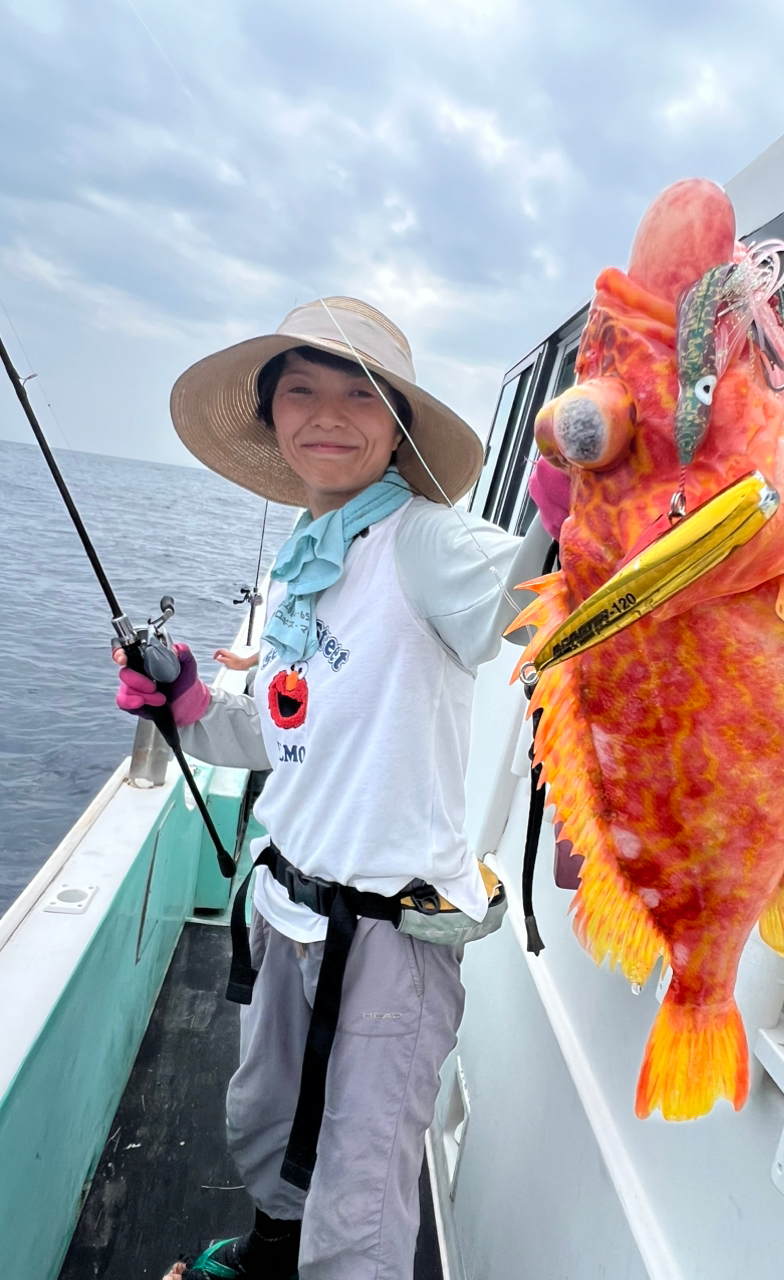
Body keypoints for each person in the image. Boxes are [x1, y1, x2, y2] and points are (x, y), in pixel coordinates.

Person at [113, 296, 556, 1280]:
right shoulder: (309, 558)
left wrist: (567, 511)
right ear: (271, 415)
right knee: (266, 1120)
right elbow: (281, 723)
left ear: (397, 424)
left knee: (360, 1201)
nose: (327, 413)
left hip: (388, 939)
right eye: (301, 389)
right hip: (285, 905)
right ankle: (271, 1254)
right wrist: (186, 698)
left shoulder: (428, 540)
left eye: (361, 393)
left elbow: (531, 596)